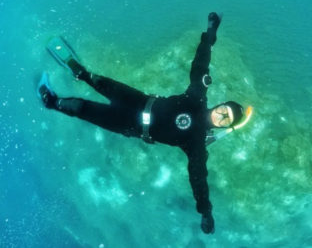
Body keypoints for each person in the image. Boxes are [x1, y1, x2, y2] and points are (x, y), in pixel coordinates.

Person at [37, 12, 245, 234]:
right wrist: (211, 32)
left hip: (131, 125)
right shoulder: (197, 98)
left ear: (223, 126)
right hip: (138, 100)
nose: (221, 116)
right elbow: (201, 65)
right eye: (224, 110)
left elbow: (198, 178)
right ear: (220, 104)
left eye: (226, 119)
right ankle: (78, 71)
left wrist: (205, 211)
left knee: (84, 109)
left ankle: (51, 101)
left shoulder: (196, 143)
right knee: (98, 81)